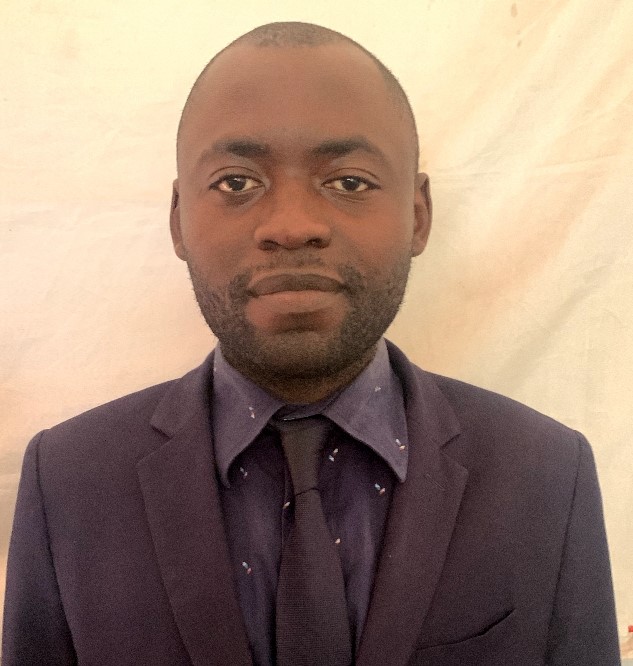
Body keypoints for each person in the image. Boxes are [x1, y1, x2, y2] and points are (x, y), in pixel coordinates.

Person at [2, 22, 620, 666]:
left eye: (348, 182)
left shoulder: (548, 475)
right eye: (236, 183)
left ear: (418, 214)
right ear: (178, 220)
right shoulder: (68, 481)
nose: (292, 226)